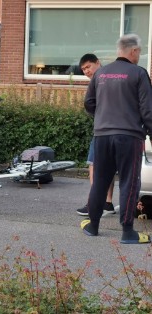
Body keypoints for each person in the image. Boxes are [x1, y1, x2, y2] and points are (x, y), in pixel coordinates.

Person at [81, 34, 152, 244]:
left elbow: (89, 103)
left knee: (100, 181)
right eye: (139, 52)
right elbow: (147, 110)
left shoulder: (101, 73)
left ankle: (93, 226)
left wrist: (103, 117)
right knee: (130, 182)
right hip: (129, 137)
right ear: (134, 51)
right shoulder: (138, 73)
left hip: (102, 135)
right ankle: (127, 231)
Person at [75, 53, 116, 217]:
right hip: (117, 127)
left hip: (103, 128)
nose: (86, 71)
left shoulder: (101, 79)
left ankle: (95, 203)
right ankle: (107, 203)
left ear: (97, 63)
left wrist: (98, 115)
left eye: (88, 67)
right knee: (110, 167)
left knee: (94, 164)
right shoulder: (112, 77)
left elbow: (91, 104)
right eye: (83, 69)